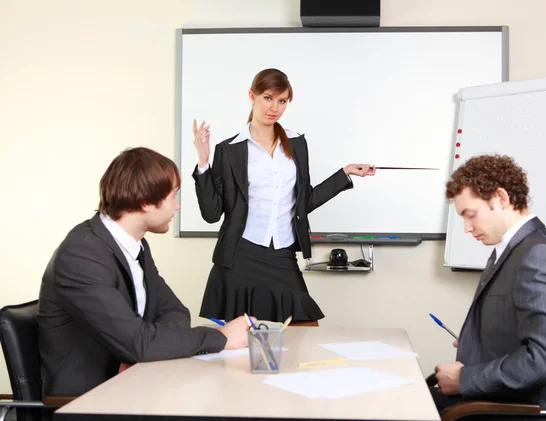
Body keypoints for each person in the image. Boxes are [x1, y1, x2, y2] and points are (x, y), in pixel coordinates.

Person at [38, 147, 252, 396]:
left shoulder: (133, 244)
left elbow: (175, 311)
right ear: (146, 201)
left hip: (134, 385)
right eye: (173, 195)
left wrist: (146, 347)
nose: (177, 206)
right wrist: (221, 338)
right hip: (87, 400)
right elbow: (137, 343)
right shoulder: (81, 256)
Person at [192, 68, 375, 326]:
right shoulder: (229, 150)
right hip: (240, 254)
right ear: (251, 96)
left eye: (282, 101)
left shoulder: (297, 143)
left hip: (282, 252)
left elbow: (305, 200)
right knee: (241, 337)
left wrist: (344, 174)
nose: (274, 107)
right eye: (268, 98)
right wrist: (203, 162)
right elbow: (212, 214)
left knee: (306, 326)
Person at [431, 154, 546, 411]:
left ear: (501, 198)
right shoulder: (513, 248)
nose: (466, 227)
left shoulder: (536, 255)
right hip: (494, 397)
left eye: (470, 215)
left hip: (509, 408)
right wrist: (474, 341)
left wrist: (465, 379)